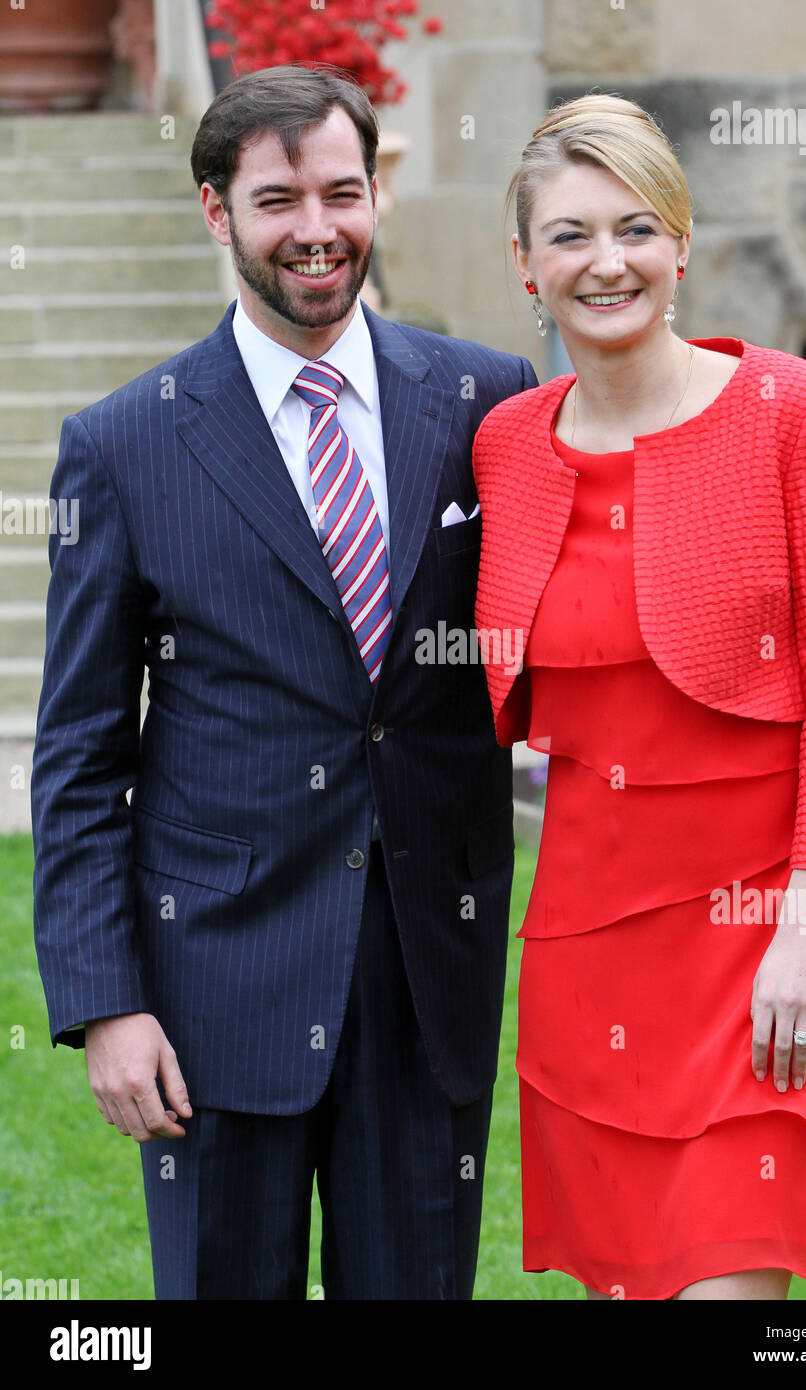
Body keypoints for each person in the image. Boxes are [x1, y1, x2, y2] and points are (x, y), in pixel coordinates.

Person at [31, 64, 537, 1301]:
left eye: (342, 191)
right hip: (213, 996)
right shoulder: (123, 443)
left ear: (377, 195)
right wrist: (106, 1004)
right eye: (276, 200)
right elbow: (81, 753)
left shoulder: (487, 402)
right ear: (218, 212)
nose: (316, 228)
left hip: (429, 982)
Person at [472, 94, 806, 1301]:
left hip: (762, 930)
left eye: (635, 227)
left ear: (682, 240)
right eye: (567, 235)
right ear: (522, 264)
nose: (605, 262)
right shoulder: (504, 442)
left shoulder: (797, 413)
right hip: (586, 935)